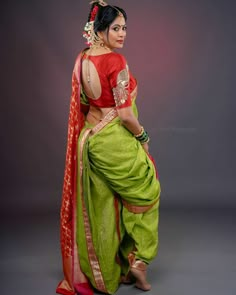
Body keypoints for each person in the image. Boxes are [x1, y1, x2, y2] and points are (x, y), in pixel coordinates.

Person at [56, 1, 161, 294]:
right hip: (113, 142)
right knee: (147, 191)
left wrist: (96, 127)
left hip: (89, 142)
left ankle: (109, 271)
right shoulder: (115, 62)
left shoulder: (82, 59)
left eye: (125, 27)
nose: (122, 33)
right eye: (116, 28)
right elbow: (125, 114)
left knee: (104, 206)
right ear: (99, 29)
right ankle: (139, 263)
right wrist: (143, 137)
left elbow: (87, 106)